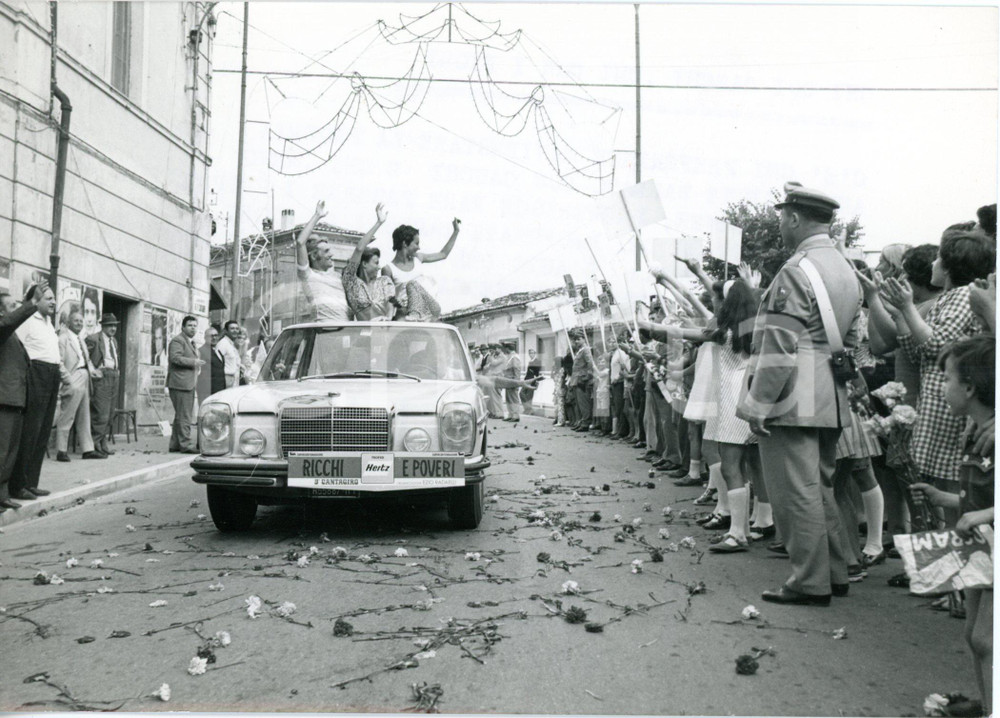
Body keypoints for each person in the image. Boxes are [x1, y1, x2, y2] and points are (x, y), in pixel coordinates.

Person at [737, 182, 861, 606]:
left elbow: (780, 344)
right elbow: (852, 336)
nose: (781, 226)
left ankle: (809, 581)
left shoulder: (797, 270)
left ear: (793, 218)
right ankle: (835, 572)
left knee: (796, 492)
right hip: (830, 391)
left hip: (795, 394)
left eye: (781, 219)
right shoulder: (845, 268)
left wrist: (757, 403)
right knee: (819, 487)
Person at [881, 229, 993, 515]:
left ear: (949, 266)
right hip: (940, 406)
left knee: (954, 492)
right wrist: (903, 313)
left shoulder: (960, 297)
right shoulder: (949, 298)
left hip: (948, 412)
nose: (932, 264)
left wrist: (906, 308)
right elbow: (914, 348)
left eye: (938, 259)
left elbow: (935, 345)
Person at [910, 335, 994, 716]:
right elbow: (981, 496)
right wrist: (948, 501)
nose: (941, 387)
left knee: (986, 638)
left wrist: (986, 515)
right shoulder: (975, 431)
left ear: (971, 387)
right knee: (973, 636)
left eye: (946, 378)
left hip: (993, 543)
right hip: (982, 548)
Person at [11, 284, 66, 499]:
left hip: (51, 374)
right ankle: (18, 485)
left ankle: (31, 482)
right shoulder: (26, 320)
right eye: (48, 298)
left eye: (54, 298)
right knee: (30, 430)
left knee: (43, 431)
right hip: (36, 373)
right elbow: (18, 350)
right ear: (36, 299)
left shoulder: (48, 321)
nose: (53, 302)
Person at [0, 287, 44, 511]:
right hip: (4, 399)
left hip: (14, 398)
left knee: (9, 452)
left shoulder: (10, 331)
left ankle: (3, 494)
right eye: (11, 307)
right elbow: (8, 323)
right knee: (2, 450)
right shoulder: (3, 327)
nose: (15, 311)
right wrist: (31, 304)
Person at [383, 218, 461, 321]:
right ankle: (413, 318)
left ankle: (415, 315)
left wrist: (456, 231)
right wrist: (389, 316)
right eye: (416, 243)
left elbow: (443, 254)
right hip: (405, 313)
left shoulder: (418, 259)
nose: (419, 247)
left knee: (412, 284)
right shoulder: (388, 269)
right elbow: (389, 298)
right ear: (405, 244)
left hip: (429, 308)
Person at [54, 306, 105, 461]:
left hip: (85, 377)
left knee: (84, 415)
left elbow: (87, 360)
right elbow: (59, 362)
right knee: (67, 415)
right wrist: (68, 380)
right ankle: (61, 451)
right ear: (69, 322)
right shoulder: (63, 339)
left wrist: (93, 371)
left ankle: (87, 450)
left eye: (80, 321)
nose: (78, 323)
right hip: (73, 377)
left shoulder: (81, 340)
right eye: (75, 320)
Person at [295, 200, 350, 321]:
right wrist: (317, 216)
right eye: (326, 251)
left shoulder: (338, 277)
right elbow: (300, 243)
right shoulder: (308, 276)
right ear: (314, 256)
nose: (331, 255)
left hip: (345, 332)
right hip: (323, 332)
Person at [342, 203, 395, 320]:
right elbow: (359, 248)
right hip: (363, 332)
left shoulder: (384, 281)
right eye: (376, 262)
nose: (379, 267)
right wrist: (379, 223)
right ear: (364, 264)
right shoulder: (351, 281)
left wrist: (388, 318)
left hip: (384, 330)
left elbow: (390, 301)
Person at [167, 315, 204, 453]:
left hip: (186, 383)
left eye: (195, 325)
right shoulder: (178, 340)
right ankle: (186, 445)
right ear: (183, 327)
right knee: (185, 415)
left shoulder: (190, 342)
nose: (193, 328)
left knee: (180, 415)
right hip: (180, 383)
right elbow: (175, 358)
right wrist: (194, 362)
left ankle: (175, 444)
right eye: (190, 325)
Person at [87, 313, 120, 456]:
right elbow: (84, 356)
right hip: (102, 376)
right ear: (103, 326)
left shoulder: (114, 341)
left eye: (114, 325)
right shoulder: (93, 339)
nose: (113, 328)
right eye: (109, 325)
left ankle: (103, 443)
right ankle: (94, 445)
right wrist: (93, 370)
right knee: (101, 413)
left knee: (110, 412)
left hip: (113, 375)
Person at [568, 330, 594, 432]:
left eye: (579, 339)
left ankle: (586, 423)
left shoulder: (586, 350)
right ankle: (582, 421)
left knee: (584, 403)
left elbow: (590, 364)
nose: (577, 341)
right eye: (575, 340)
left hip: (582, 380)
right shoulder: (579, 351)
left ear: (584, 339)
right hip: (576, 379)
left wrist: (587, 377)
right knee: (579, 403)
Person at [215, 320, 245, 389]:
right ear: (226, 331)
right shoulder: (223, 344)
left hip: (234, 379)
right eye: (232, 328)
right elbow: (217, 364)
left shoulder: (231, 344)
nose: (235, 331)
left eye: (237, 329)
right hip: (226, 380)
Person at [501, 342, 522, 422]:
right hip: (508, 381)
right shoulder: (510, 357)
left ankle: (516, 416)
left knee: (514, 399)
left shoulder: (515, 357)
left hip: (512, 381)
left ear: (508, 348)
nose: (505, 350)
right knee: (509, 399)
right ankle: (511, 414)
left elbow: (516, 371)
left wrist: (516, 383)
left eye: (505, 348)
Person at [521, 349, 542, 416]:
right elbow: (529, 372)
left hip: (532, 380)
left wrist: (535, 379)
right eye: (530, 353)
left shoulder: (537, 361)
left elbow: (537, 372)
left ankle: (529, 410)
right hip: (527, 380)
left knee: (529, 395)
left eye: (532, 353)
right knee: (521, 393)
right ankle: (528, 409)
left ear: (535, 353)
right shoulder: (530, 361)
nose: (531, 354)